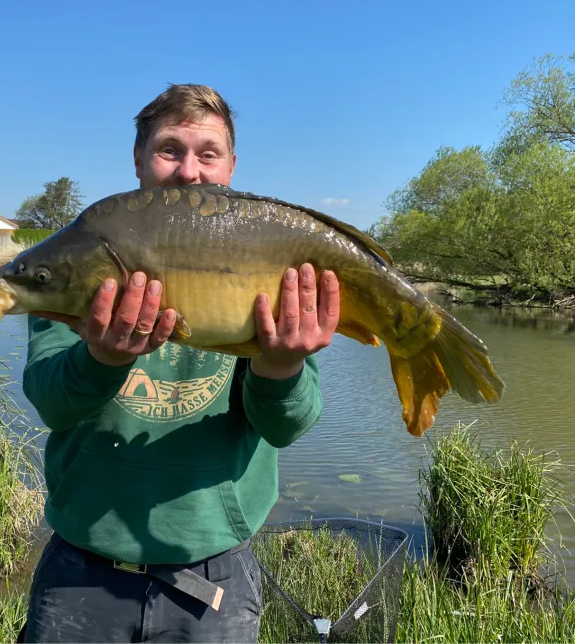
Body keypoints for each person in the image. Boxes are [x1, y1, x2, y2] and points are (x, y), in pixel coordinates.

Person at [20, 83, 340, 643]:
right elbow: (50, 400)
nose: (189, 171)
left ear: (231, 167)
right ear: (139, 160)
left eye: (207, 153)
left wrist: (281, 366)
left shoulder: (263, 253)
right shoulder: (84, 257)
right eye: (170, 149)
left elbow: (287, 425)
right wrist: (99, 358)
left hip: (215, 574)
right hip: (81, 567)